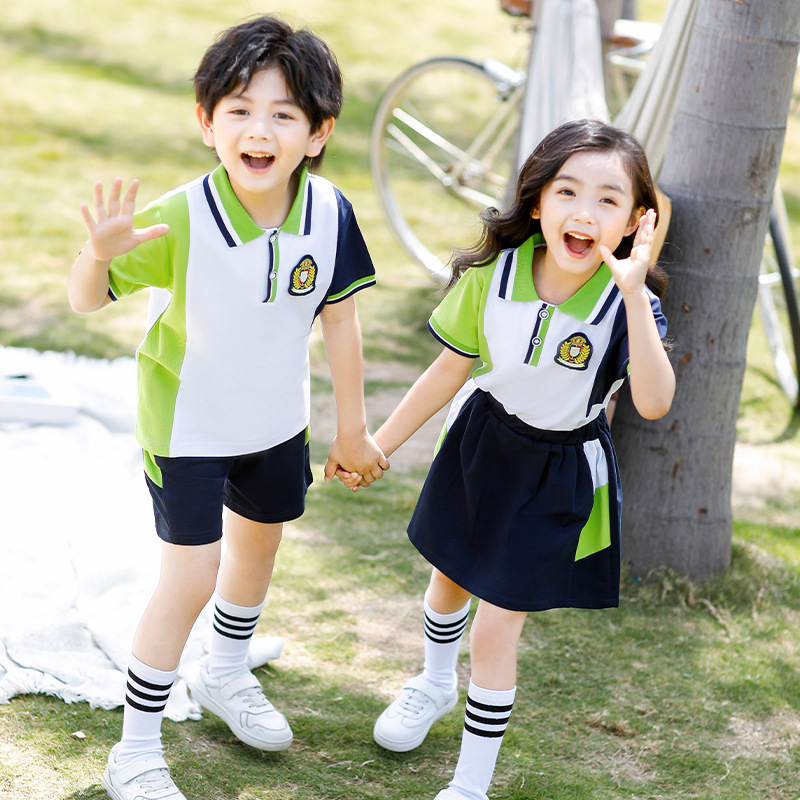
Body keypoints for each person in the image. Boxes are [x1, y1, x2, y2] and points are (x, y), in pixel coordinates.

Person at [67, 15, 388, 800]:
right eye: (240, 108)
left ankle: (223, 670)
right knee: (192, 576)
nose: (260, 128)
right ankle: (135, 750)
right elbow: (84, 301)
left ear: (317, 134)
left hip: (276, 422)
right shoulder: (180, 216)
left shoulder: (330, 211)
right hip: (188, 426)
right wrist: (98, 255)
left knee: (259, 552)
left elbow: (339, 316)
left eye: (284, 113)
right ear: (207, 122)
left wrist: (351, 426)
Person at [359, 119, 675, 799]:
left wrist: (632, 293)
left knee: (497, 625)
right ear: (537, 202)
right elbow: (447, 372)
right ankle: (433, 684)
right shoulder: (494, 276)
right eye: (567, 191)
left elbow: (652, 401)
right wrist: (380, 444)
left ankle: (469, 786)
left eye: (608, 200)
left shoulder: (631, 307)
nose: (584, 212)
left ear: (633, 223)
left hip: (558, 471)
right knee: (448, 583)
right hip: (482, 443)